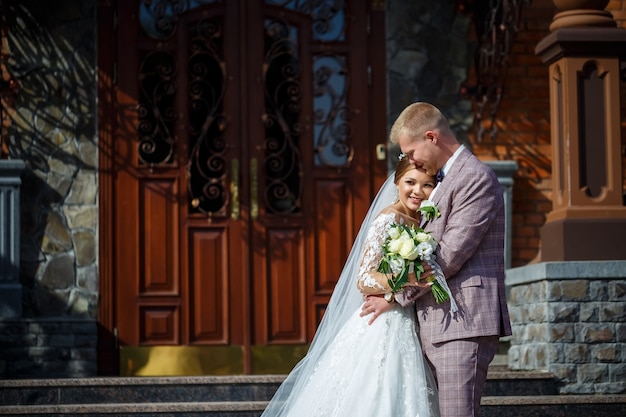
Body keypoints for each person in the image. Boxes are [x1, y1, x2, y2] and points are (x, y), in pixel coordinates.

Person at [361, 102, 512, 417]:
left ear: (431, 137)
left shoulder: (475, 178)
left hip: (462, 322)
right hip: (434, 320)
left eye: (411, 152)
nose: (409, 161)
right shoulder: (439, 179)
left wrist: (393, 295)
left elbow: (450, 255)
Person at [261, 157, 441, 417]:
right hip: (381, 324)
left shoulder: (422, 222)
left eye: (427, 185)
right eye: (410, 182)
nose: (417, 191)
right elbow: (364, 278)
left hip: (406, 317)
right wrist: (404, 281)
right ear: (396, 182)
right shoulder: (388, 219)